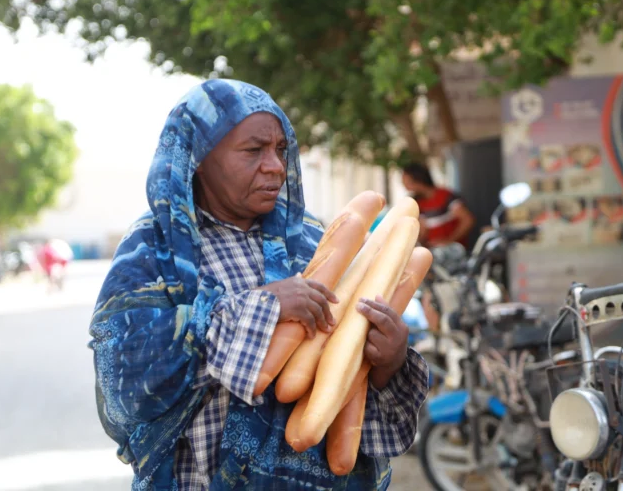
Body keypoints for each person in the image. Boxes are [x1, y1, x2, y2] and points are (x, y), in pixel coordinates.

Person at [89, 79, 428, 490]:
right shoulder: (153, 249)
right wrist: (257, 309)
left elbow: (347, 401)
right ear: (198, 159)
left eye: (281, 150)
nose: (276, 167)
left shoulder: (313, 241)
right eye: (254, 151)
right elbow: (122, 391)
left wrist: (388, 362)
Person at [400, 162, 476, 249]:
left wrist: (449, 240)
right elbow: (423, 232)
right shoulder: (417, 202)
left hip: (452, 252)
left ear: (417, 179)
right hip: (431, 251)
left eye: (405, 179)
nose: (403, 183)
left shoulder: (446, 196)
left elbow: (468, 220)